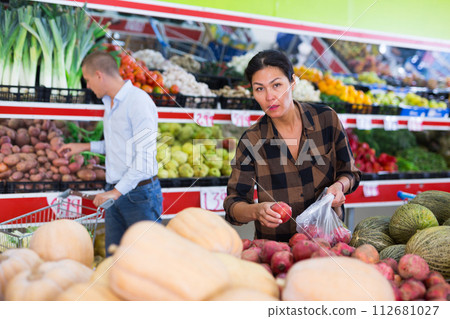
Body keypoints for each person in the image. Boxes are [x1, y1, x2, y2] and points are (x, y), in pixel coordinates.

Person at [223, 50, 361, 242]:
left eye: (277, 85)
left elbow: (350, 173)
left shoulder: (326, 119)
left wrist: (339, 186)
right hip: (277, 251)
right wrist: (257, 210)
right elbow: (233, 203)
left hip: (327, 242)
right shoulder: (252, 139)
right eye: (259, 89)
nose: (269, 97)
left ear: (293, 82)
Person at [58, 51, 163, 254]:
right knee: (113, 258)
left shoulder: (138, 102)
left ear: (99, 75)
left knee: (147, 259)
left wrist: (115, 193)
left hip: (139, 196)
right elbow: (118, 145)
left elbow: (144, 157)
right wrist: (85, 147)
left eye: (87, 80)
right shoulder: (110, 104)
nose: (87, 86)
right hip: (116, 192)